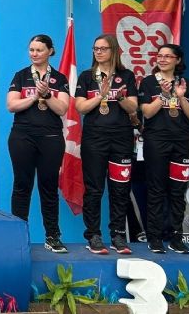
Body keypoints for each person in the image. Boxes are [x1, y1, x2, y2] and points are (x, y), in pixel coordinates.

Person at [6, 35, 71, 253]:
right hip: (22, 136)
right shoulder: (21, 75)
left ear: (50, 51)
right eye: (31, 50)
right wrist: (34, 97)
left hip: (51, 138)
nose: (34, 54)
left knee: (49, 187)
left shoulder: (59, 78)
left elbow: (62, 109)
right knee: (22, 185)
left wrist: (47, 95)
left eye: (39, 50)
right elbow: (11, 105)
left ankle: (52, 236)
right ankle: (17, 237)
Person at [75, 34, 138, 255]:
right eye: (96, 49)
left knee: (120, 189)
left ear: (113, 51)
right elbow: (80, 107)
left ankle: (118, 235)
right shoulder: (86, 76)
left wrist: (119, 97)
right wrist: (99, 96)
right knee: (94, 189)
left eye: (103, 48)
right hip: (95, 139)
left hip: (121, 139)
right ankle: (93, 235)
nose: (99, 52)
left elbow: (133, 108)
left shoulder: (126, 76)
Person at [138, 44, 189, 254]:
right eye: (159, 56)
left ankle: (176, 237)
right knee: (156, 189)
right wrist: (164, 96)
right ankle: (154, 238)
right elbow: (147, 112)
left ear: (177, 60)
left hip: (182, 141)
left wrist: (180, 97)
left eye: (167, 56)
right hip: (156, 141)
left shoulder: (186, 84)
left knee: (178, 191)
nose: (162, 59)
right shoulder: (148, 82)